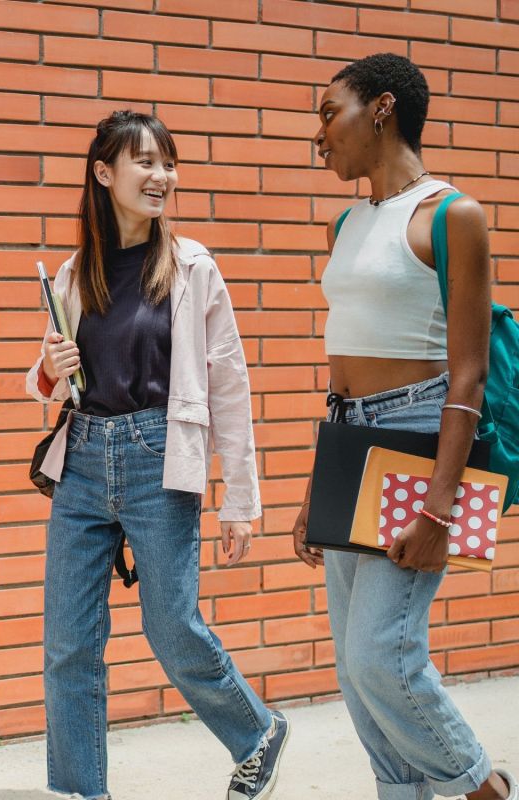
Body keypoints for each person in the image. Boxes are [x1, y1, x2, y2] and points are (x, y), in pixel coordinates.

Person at [26, 110, 289, 800]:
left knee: (173, 625)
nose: (160, 176)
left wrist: (240, 500)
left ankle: (255, 732)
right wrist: (53, 366)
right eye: (143, 162)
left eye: (167, 163)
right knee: (68, 648)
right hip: (82, 460)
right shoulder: (75, 271)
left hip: (156, 460)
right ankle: (83, 792)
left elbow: (230, 383)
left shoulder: (193, 266)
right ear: (104, 173)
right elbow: (47, 381)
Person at [297, 53, 516, 800]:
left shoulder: (454, 215)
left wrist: (439, 509)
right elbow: (343, 371)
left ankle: (479, 786)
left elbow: (469, 375)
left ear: (383, 108)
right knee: (355, 678)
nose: (319, 136)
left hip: (419, 438)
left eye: (330, 113)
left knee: (380, 657)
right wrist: (314, 491)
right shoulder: (349, 221)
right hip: (351, 439)